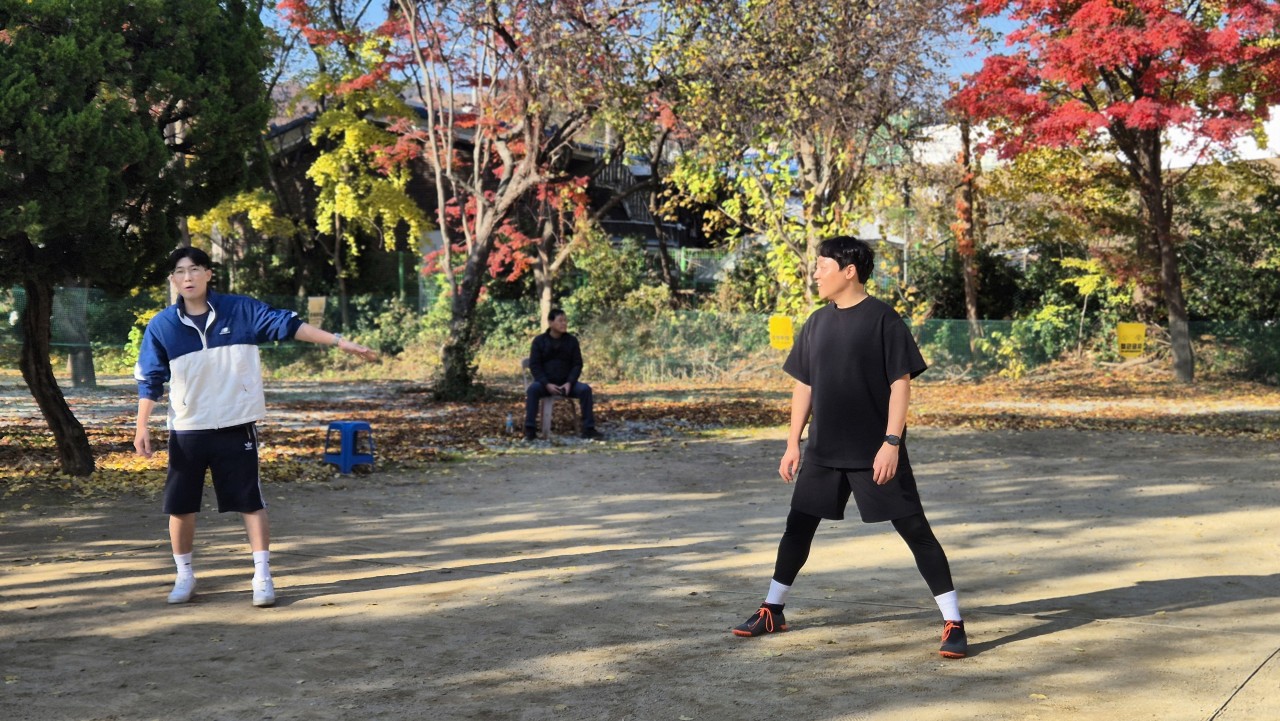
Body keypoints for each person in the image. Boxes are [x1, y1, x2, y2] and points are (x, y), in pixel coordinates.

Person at [731, 236, 968, 659]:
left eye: (822, 266)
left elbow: (900, 384)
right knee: (797, 528)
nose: (815, 274)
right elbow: (804, 386)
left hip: (874, 453)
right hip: (823, 452)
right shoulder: (816, 322)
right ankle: (772, 611)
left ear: (849, 270)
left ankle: (954, 622)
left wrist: (891, 442)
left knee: (916, 531)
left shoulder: (883, 319)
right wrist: (792, 443)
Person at [134, 247, 378, 607]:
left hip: (236, 425)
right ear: (173, 280)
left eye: (195, 269)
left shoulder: (241, 310)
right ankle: (184, 576)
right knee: (180, 506)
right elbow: (149, 379)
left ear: (208, 274)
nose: (188, 277)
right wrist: (141, 426)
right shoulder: (162, 326)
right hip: (187, 429)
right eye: (180, 272)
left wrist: (340, 342)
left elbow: (289, 325)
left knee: (250, 502)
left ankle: (262, 576)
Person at [523, 308, 602, 441]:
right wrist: (546, 384)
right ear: (550, 322)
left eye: (565, 320)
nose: (564, 323)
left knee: (585, 389)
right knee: (532, 389)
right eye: (560, 320)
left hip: (567, 384)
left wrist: (570, 382)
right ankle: (530, 430)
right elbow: (535, 365)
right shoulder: (539, 341)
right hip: (545, 384)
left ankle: (589, 429)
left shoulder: (572, 341)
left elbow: (577, 364)